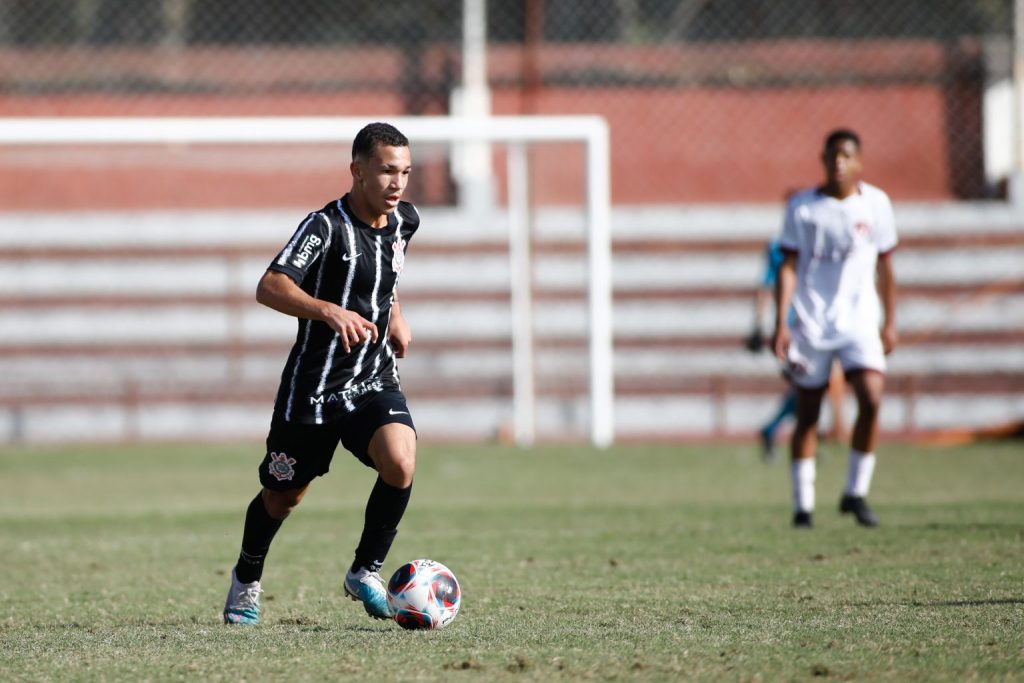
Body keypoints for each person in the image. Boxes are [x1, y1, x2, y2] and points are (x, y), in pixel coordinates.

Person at [222, 122, 420, 624]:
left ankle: (364, 571)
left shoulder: (405, 222)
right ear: (357, 170)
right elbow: (269, 287)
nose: (397, 183)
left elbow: (387, 277)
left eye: (405, 172)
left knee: (400, 460)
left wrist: (394, 316)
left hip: (373, 376)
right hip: (313, 390)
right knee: (283, 496)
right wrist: (328, 311)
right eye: (386, 171)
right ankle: (247, 578)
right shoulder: (324, 226)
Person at [771, 128, 898, 529]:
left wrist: (890, 321)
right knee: (808, 414)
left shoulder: (876, 204)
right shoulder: (802, 207)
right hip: (811, 321)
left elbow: (886, 267)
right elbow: (788, 266)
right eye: (833, 155)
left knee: (872, 397)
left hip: (860, 320)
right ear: (822, 159)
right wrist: (782, 322)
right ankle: (803, 506)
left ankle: (855, 493)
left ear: (859, 161)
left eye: (847, 155)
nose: (839, 162)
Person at [746, 240, 847, 461]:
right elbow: (768, 283)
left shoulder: (820, 234)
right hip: (798, 327)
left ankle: (783, 432)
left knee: (811, 384)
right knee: (810, 384)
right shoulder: (780, 245)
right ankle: (798, 437)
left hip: (821, 323)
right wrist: (759, 325)